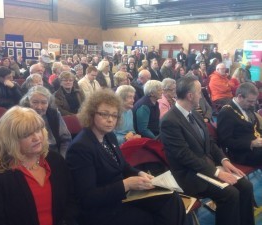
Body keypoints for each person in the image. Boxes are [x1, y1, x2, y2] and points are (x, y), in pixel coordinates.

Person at [66, 88, 185, 225]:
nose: (110, 120)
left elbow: (123, 165)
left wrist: (140, 173)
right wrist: (126, 184)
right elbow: (88, 197)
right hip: (102, 209)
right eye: (104, 114)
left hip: (121, 196)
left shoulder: (109, 136)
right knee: (151, 218)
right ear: (91, 114)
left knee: (171, 199)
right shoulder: (80, 148)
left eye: (114, 115)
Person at [160, 76, 254, 225]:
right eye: (199, 92)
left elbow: (210, 142)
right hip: (189, 174)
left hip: (206, 166)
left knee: (246, 186)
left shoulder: (194, 112)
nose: (201, 95)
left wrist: (224, 160)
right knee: (230, 194)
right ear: (190, 96)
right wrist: (217, 172)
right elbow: (185, 157)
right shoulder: (169, 121)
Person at [0, 106, 78, 225]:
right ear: (10, 140)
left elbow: (72, 200)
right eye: (27, 135)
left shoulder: (55, 160)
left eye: (38, 130)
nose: (36, 138)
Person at [217, 82, 262, 166]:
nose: (252, 104)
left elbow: (254, 128)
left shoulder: (248, 106)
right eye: (250, 101)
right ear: (240, 97)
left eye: (254, 101)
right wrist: (251, 143)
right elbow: (225, 141)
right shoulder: (226, 112)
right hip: (241, 153)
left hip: (256, 146)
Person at [20, 86, 71, 157]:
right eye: (35, 102)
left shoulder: (55, 114)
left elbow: (65, 140)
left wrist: (62, 157)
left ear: (48, 103)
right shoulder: (20, 117)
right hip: (29, 155)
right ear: (28, 101)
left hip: (54, 153)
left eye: (44, 103)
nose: (39, 107)